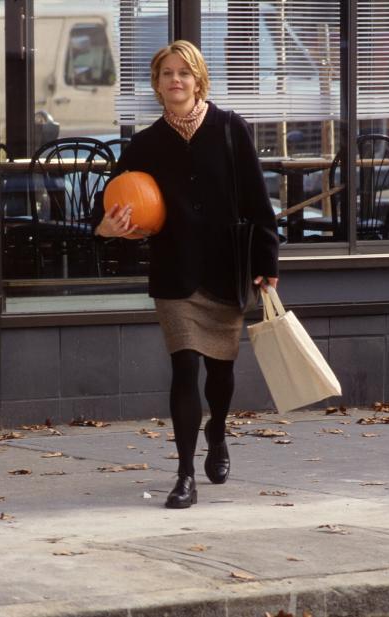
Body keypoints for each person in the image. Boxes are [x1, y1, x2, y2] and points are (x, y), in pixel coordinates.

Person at [93, 40, 279, 509]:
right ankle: (184, 475)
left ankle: (217, 434)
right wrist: (107, 228)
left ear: (199, 80)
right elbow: (115, 205)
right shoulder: (146, 143)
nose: (175, 80)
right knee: (184, 368)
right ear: (156, 85)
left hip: (226, 268)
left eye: (184, 73)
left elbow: (259, 204)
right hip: (174, 271)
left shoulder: (230, 129)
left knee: (220, 373)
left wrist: (267, 264)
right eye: (166, 74)